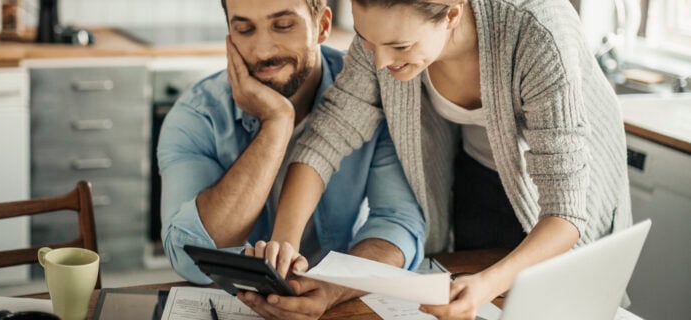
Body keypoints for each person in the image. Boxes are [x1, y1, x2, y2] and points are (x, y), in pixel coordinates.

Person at [262, 0, 633, 319]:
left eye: (399, 46)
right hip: (478, 174)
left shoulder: (538, 31)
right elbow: (328, 136)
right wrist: (284, 245)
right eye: (366, 40)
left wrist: (487, 284)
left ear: (452, 15)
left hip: (566, 199)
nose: (379, 62)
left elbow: (566, 212)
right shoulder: (382, 36)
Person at [157, 0, 426, 318]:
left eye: (283, 26)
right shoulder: (198, 115)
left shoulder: (370, 94)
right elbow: (189, 258)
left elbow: (398, 223)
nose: (262, 51)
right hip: (238, 307)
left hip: (339, 302)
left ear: (323, 25)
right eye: (244, 29)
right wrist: (276, 124)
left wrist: (333, 289)